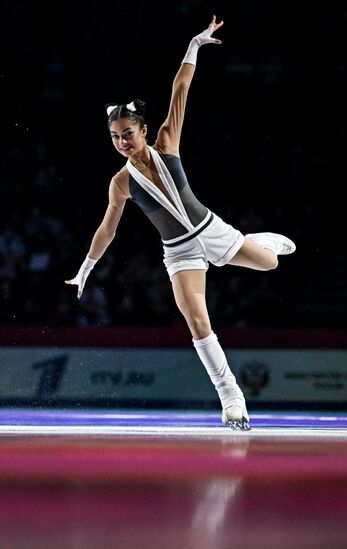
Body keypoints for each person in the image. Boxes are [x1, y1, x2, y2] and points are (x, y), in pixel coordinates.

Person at [65, 15, 296, 431]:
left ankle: (259, 240)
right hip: (180, 251)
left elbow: (180, 90)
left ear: (144, 130)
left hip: (210, 228)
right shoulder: (120, 183)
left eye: (129, 133)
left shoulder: (167, 143)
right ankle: (231, 399)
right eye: (115, 136)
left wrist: (194, 44)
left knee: (271, 265)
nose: (122, 142)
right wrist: (85, 269)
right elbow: (107, 230)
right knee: (196, 321)